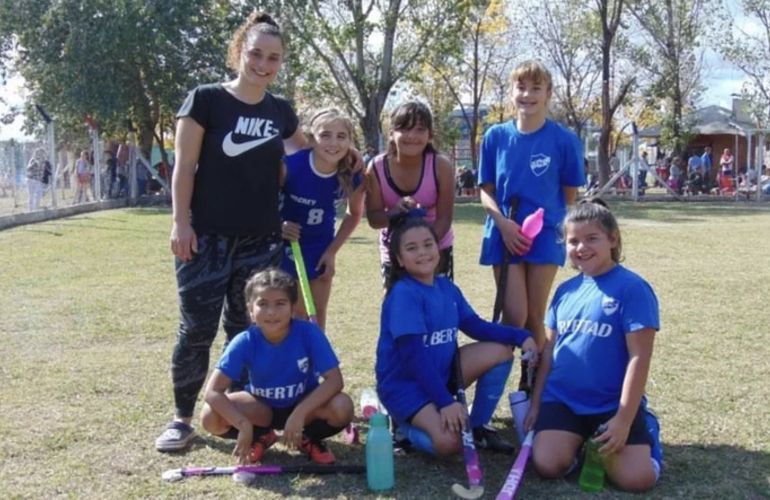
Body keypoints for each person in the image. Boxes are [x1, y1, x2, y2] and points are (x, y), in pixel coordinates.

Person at [157, 12, 313, 452]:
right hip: (205, 237)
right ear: (240, 51)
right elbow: (185, 166)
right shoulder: (206, 100)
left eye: (273, 58)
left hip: (261, 240)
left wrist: (347, 159)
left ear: (281, 62)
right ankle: (182, 419)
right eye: (256, 54)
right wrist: (181, 222)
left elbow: (307, 158)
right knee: (196, 330)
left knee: (247, 329)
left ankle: (243, 417)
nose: (263, 65)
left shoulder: (280, 111)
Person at [525, 198, 662, 493]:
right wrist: (536, 404)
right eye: (573, 241)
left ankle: (646, 427)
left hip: (612, 404)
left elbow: (639, 357)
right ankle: (579, 444)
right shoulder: (565, 291)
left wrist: (624, 419)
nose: (581, 247)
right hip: (564, 400)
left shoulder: (632, 288)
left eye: (591, 239)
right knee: (547, 465)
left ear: (613, 239)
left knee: (636, 481)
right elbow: (548, 352)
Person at [375, 215, 539, 455]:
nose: (422, 252)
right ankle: (402, 426)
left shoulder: (446, 288)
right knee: (449, 443)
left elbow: (476, 326)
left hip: (438, 375)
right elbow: (414, 359)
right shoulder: (404, 295)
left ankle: (477, 426)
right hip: (405, 387)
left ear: (438, 248)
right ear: (399, 259)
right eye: (411, 248)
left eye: (428, 244)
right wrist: (445, 402)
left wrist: (520, 336)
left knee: (501, 352)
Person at [477, 60, 584, 387]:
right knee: (514, 316)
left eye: (536, 88)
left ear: (548, 94)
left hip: (544, 236)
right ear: (511, 92)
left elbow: (568, 196)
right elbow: (485, 190)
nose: (527, 95)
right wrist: (503, 224)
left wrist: (550, 224)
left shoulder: (564, 140)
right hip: (504, 233)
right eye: (521, 87)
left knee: (536, 316)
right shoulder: (495, 136)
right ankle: (492, 382)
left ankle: (532, 385)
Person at [201, 268, 353, 464]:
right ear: (250, 309)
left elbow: (335, 381)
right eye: (262, 304)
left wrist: (300, 413)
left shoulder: (309, 333)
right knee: (209, 416)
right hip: (262, 409)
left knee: (342, 406)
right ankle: (261, 436)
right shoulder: (244, 341)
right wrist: (243, 425)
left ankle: (307, 438)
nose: (271, 312)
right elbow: (212, 391)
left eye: (280, 304)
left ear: (293, 307)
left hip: (304, 406)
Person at [280, 108, 366, 331]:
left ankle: (317, 353)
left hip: (321, 247)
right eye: (325, 135)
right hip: (287, 246)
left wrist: (332, 251)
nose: (333, 143)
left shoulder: (354, 173)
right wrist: (279, 225)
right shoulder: (290, 166)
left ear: (350, 141)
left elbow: (354, 213)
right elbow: (263, 203)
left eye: (341, 136)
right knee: (295, 312)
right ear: (311, 139)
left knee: (317, 313)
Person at [365, 101, 455, 286]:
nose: (412, 136)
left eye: (420, 130)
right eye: (404, 129)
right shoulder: (376, 167)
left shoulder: (441, 166)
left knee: (437, 302)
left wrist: (423, 249)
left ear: (430, 135)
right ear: (391, 133)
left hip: (436, 248)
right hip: (394, 252)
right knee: (399, 302)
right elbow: (374, 219)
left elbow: (444, 219)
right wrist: (394, 212)